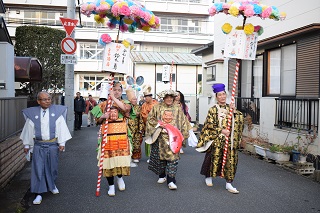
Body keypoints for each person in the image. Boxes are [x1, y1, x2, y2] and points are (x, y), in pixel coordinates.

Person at [20, 91, 72, 205]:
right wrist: (27, 145)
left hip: (52, 145)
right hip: (39, 145)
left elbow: (61, 128)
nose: (48, 101)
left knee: (52, 167)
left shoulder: (56, 112)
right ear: (38, 101)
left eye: (49, 99)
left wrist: (62, 143)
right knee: (38, 168)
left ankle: (52, 185)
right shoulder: (33, 114)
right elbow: (29, 129)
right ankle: (38, 193)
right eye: (44, 99)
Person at [196, 83, 244, 194]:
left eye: (223, 94)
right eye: (219, 95)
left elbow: (240, 121)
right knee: (212, 158)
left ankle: (229, 183)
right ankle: (208, 176)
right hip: (216, 139)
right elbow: (209, 124)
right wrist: (221, 131)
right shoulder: (213, 109)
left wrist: (235, 112)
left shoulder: (230, 108)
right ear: (216, 97)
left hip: (229, 140)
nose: (222, 97)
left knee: (231, 160)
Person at [145, 89, 191, 190]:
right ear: (164, 98)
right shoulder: (157, 107)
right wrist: (160, 125)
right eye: (167, 97)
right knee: (160, 159)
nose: (169, 99)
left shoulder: (177, 108)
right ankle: (162, 175)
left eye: (171, 97)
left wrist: (182, 134)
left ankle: (171, 180)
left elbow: (183, 121)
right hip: (160, 137)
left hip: (173, 138)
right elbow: (150, 119)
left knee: (173, 159)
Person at [92, 81, 132, 196]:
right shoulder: (103, 104)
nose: (117, 92)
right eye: (114, 90)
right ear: (110, 90)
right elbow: (96, 119)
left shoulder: (125, 102)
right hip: (107, 139)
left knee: (120, 160)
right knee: (108, 162)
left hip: (121, 137)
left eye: (119, 90)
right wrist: (102, 117)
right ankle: (111, 186)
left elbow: (125, 110)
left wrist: (113, 98)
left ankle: (120, 178)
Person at [139, 85, 158, 162]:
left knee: (156, 141)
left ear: (151, 96)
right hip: (147, 126)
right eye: (145, 96)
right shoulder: (144, 105)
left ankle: (156, 157)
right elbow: (143, 115)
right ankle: (150, 156)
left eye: (147, 96)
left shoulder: (156, 104)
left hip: (156, 126)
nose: (146, 98)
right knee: (148, 142)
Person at [126, 88, 143, 163]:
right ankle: (128, 156)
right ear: (130, 100)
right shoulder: (127, 106)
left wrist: (141, 128)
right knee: (129, 142)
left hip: (136, 127)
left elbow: (141, 117)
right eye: (133, 99)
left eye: (136, 99)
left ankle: (135, 156)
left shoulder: (139, 107)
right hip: (128, 127)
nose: (135, 101)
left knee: (137, 142)